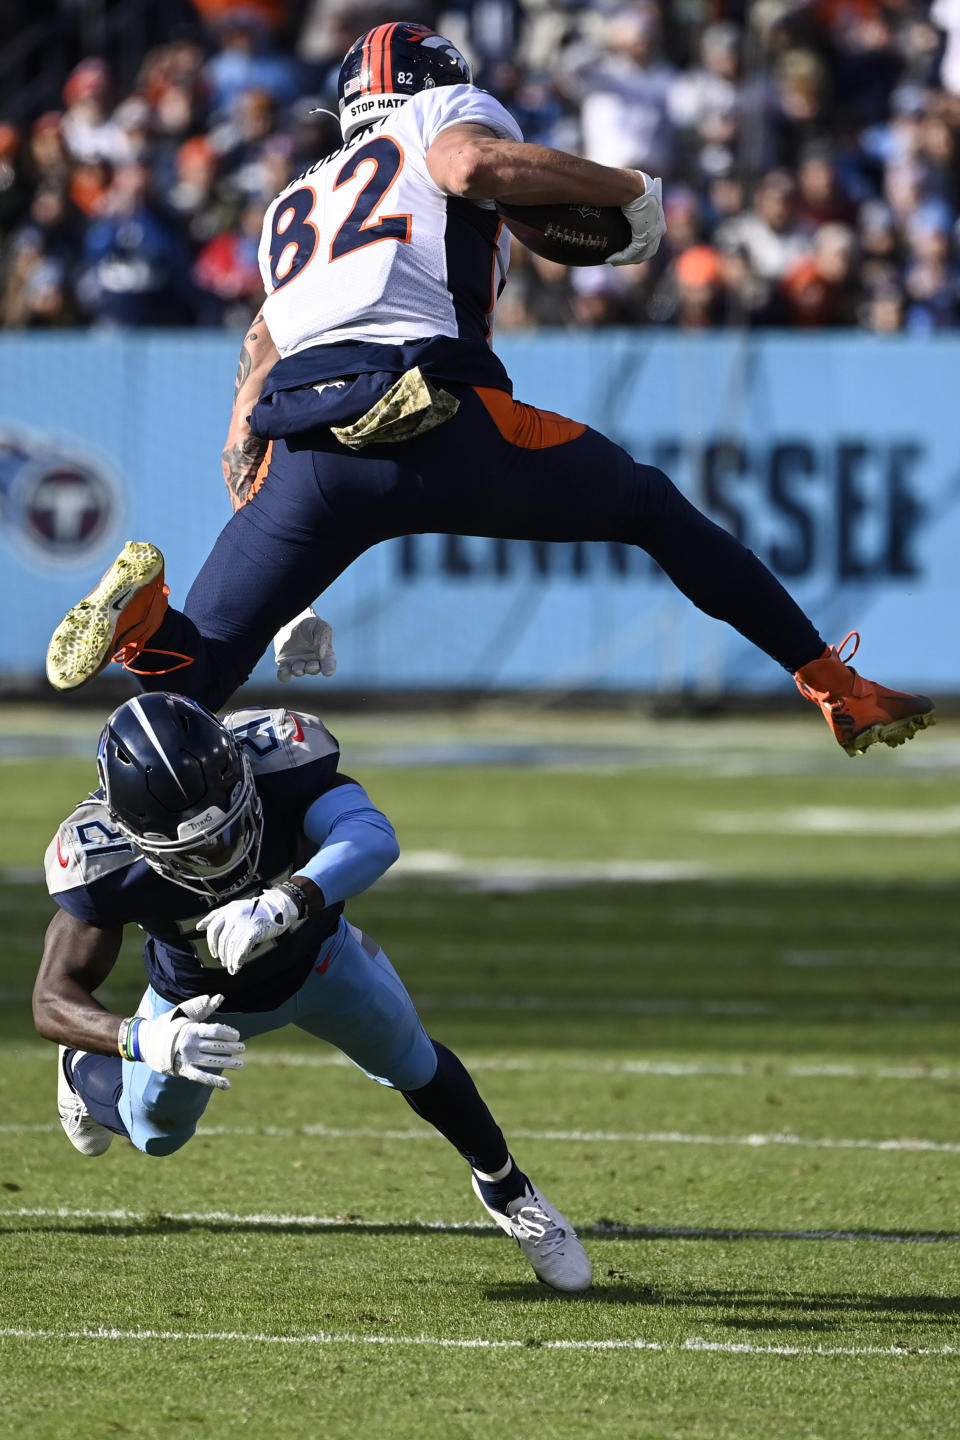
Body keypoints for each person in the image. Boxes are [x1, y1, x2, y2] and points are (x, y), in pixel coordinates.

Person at [46, 21, 934, 757]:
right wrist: (630, 187)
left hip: (309, 447)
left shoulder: (297, 197)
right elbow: (472, 168)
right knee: (654, 510)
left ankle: (145, 621)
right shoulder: (441, 116)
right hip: (434, 411)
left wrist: (248, 461)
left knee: (195, 678)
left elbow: (262, 347)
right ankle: (834, 684)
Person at [33, 690, 592, 1294]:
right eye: (194, 850)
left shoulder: (280, 758)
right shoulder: (100, 858)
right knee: (157, 1136)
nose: (220, 857)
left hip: (323, 958)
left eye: (226, 829)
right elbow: (52, 997)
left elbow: (372, 834)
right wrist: (147, 1039)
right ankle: (81, 1071)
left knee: (416, 1062)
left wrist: (287, 900)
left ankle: (509, 1191)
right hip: (201, 1009)